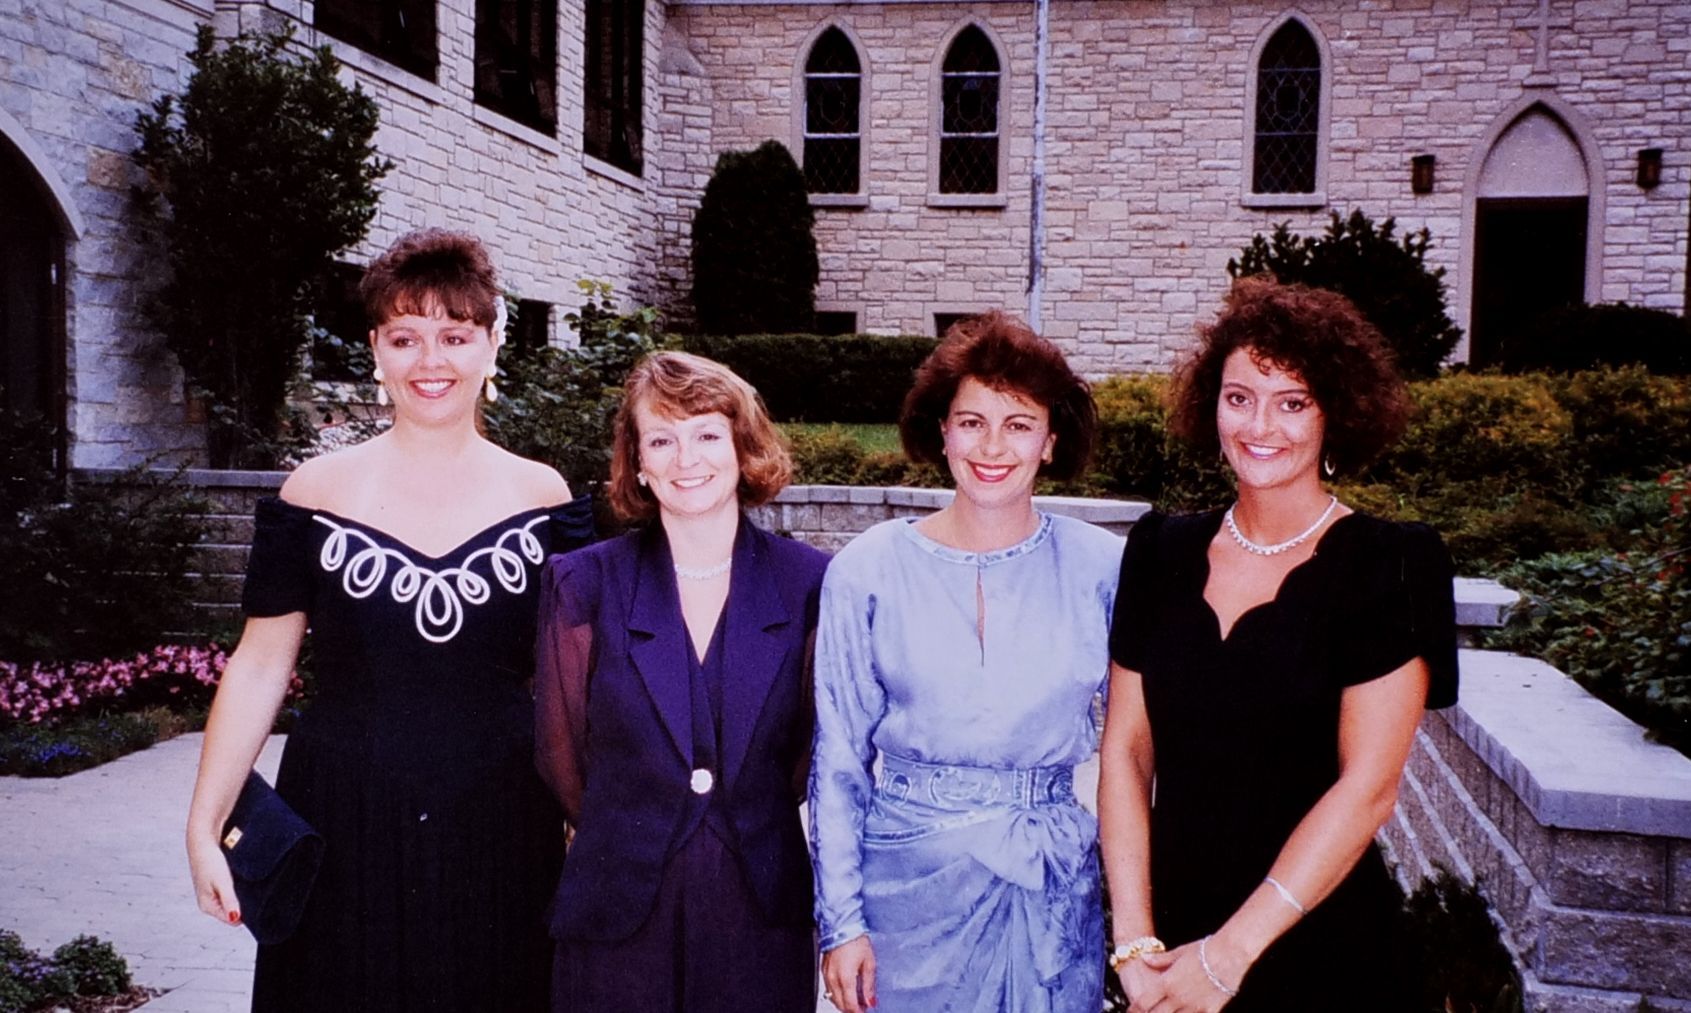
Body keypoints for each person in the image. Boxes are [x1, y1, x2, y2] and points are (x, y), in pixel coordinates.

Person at [185, 229, 592, 1012]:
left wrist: (590, 816)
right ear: (375, 349)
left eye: (455, 335)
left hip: (504, 818)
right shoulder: (313, 493)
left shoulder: (546, 498)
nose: (430, 360)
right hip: (344, 814)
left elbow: (580, 679)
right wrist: (204, 826)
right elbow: (261, 664)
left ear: (491, 345)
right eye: (405, 337)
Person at [1097, 278, 1458, 1012]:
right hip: (1171, 949)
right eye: (1240, 397)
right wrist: (1134, 941)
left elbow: (1368, 789)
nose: (1260, 425)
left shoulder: (1390, 564)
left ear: (1335, 414)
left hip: (1321, 949)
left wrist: (1228, 957)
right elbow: (1126, 751)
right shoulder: (1159, 550)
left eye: (1292, 402)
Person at [810, 312, 1121, 1013]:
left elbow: (1138, 748)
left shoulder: (1103, 567)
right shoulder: (868, 568)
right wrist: (842, 922)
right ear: (942, 431)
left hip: (1045, 892)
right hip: (905, 897)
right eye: (972, 421)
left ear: (1051, 441)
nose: (993, 446)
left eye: (1019, 424)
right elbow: (837, 760)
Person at [534, 351, 828, 1013]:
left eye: (706, 434)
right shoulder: (582, 582)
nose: (685, 458)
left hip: (758, 909)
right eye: (661, 439)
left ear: (742, 446)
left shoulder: (810, 582)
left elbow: (809, 751)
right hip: (616, 910)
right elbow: (561, 755)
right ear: (637, 461)